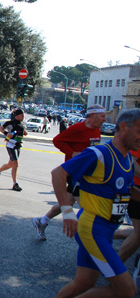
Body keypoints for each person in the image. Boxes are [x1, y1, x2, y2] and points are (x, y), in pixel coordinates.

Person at [51, 109, 140, 298]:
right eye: (139, 131)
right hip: (92, 229)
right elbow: (58, 173)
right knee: (126, 290)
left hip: (106, 229)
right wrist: (67, 212)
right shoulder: (98, 153)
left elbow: (129, 191)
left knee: (83, 283)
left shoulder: (127, 159)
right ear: (124, 127)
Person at [32, 105, 106, 241]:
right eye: (102, 116)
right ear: (93, 116)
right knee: (86, 205)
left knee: (67, 201)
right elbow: (57, 140)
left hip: (88, 172)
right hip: (75, 171)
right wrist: (73, 153)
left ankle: (42, 221)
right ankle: (93, 237)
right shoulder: (78, 128)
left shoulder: (97, 130)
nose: (104, 119)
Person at [0, 109, 27, 191]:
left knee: (11, 164)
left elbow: (22, 131)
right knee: (15, 163)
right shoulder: (10, 123)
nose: (23, 117)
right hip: (11, 145)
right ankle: (15, 184)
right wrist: (6, 134)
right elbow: (0, 129)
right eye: (22, 115)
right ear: (17, 115)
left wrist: (24, 132)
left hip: (18, 146)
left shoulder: (22, 124)